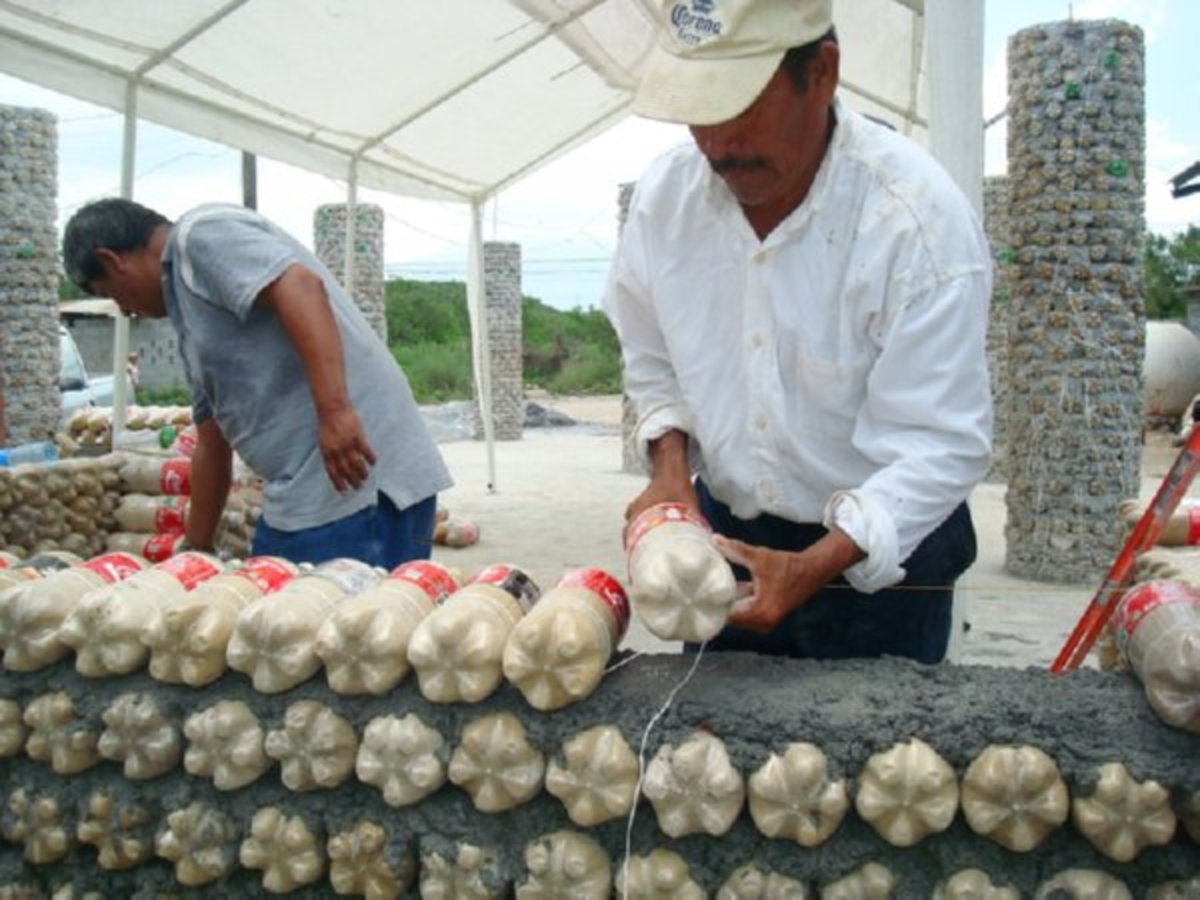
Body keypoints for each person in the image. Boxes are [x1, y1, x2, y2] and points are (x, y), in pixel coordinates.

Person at [605, 0, 993, 664]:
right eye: (699, 110)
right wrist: (670, 470)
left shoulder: (916, 223)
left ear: (823, 73)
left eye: (740, 105)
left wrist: (819, 563)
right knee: (720, 759)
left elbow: (940, 446)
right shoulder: (665, 201)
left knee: (888, 763)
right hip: (728, 542)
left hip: (883, 568)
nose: (718, 145)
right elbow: (652, 358)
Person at [62, 199, 453, 569]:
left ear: (110, 261)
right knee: (274, 617)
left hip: (355, 481)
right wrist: (195, 549)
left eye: (108, 294)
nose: (126, 310)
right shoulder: (188, 317)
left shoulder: (200, 236)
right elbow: (212, 442)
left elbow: (300, 287)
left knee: (343, 629)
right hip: (302, 491)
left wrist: (334, 411)